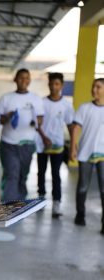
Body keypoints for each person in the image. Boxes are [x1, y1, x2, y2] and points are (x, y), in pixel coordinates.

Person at [0, 68, 44, 201]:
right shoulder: (6, 98)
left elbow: (40, 120)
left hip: (27, 144)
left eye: (26, 78)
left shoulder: (35, 99)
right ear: (15, 79)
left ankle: (20, 203)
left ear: (29, 80)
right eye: (21, 78)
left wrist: (35, 120)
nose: (24, 80)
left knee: (23, 176)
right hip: (9, 144)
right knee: (12, 174)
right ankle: (9, 206)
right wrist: (8, 116)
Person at [35, 72, 74, 217]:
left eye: (57, 84)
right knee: (41, 172)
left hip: (58, 146)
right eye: (51, 84)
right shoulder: (42, 102)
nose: (54, 87)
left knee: (56, 174)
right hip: (42, 145)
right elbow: (37, 124)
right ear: (48, 85)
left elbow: (71, 126)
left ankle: (56, 204)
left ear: (62, 85)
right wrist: (44, 137)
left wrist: (73, 146)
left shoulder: (66, 105)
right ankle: (40, 200)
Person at [70, 78, 104, 235]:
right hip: (86, 153)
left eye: (98, 87)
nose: (94, 90)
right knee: (83, 186)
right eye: (93, 87)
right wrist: (73, 147)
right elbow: (76, 128)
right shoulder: (85, 108)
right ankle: (80, 215)